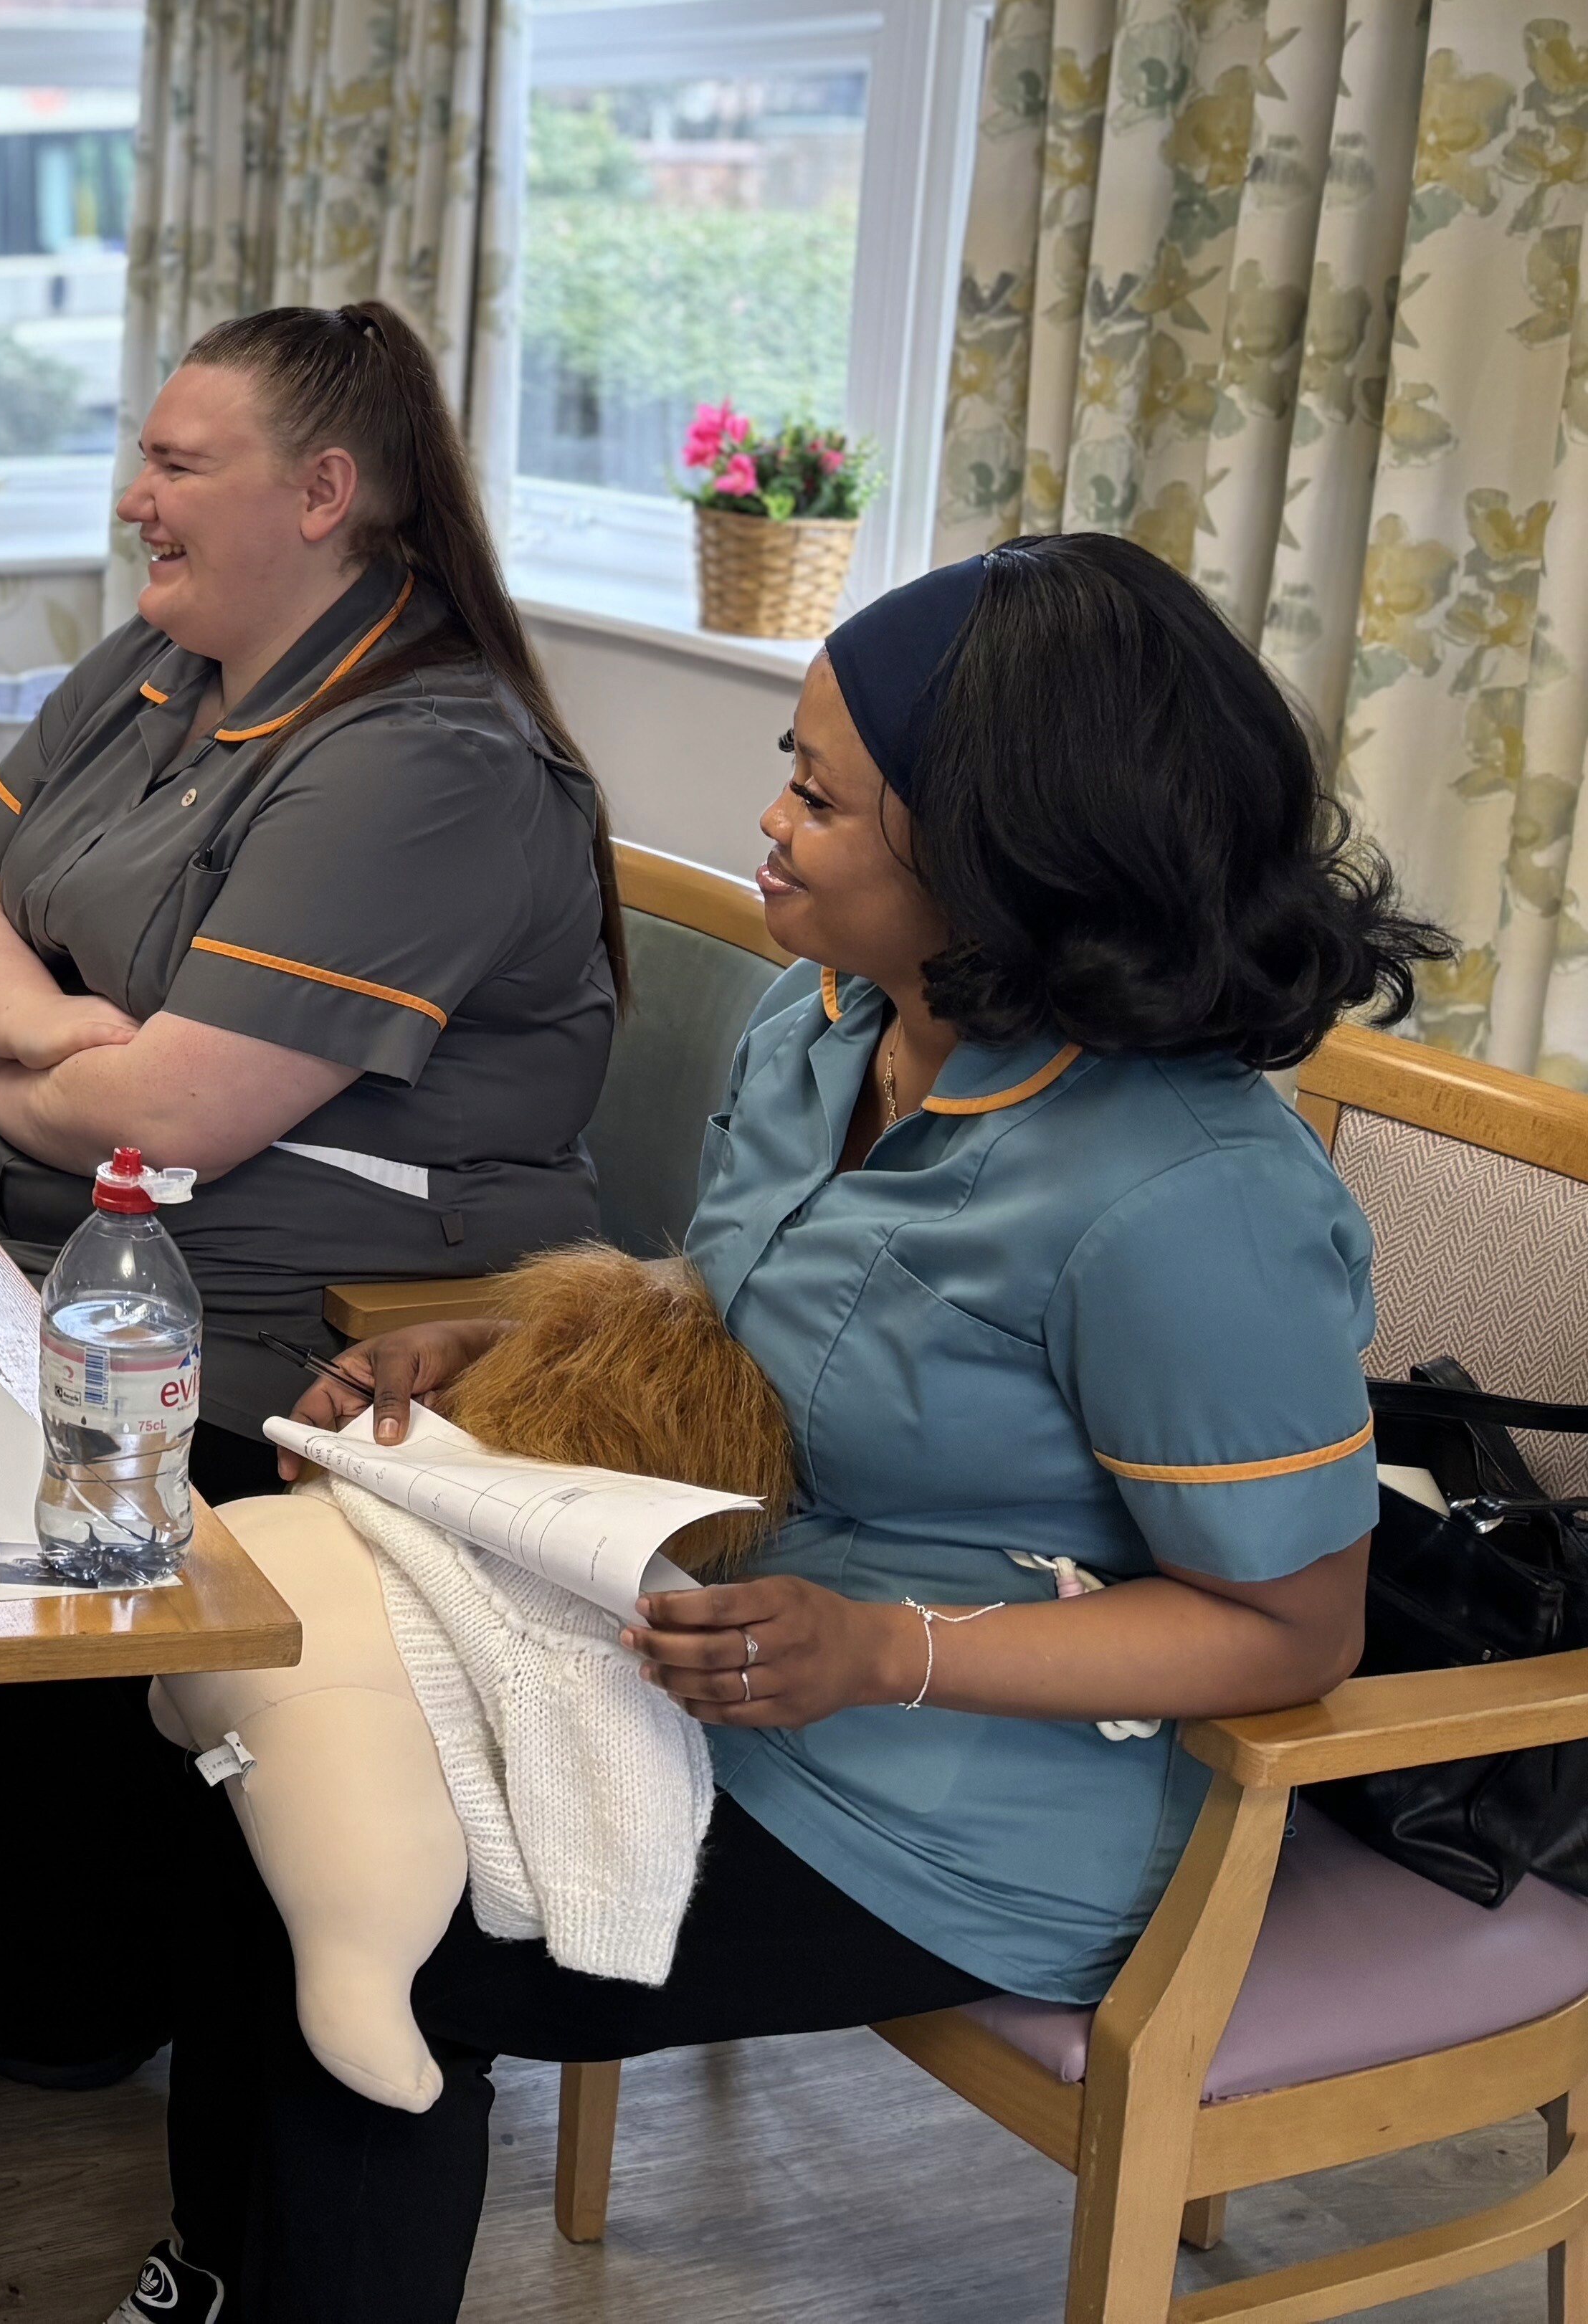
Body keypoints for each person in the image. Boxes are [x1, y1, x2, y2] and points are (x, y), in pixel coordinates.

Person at [108, 531, 1435, 2324]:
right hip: (721, 1651)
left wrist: (887, 1650)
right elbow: (754, 1303)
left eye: (822, 794)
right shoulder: (829, 1026)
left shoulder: (1188, 1202)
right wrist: (495, 1350)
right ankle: (218, 2281)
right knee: (237, 1781)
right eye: (789, 770)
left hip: (973, 1804)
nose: (773, 820)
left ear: (1000, 858)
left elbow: (1293, 1627)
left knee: (410, 1959)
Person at [0, 300, 627, 2081]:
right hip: (48, 1237)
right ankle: (13, 1888)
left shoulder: (425, 758)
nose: (136, 500)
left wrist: (18, 1078)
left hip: (295, 1326)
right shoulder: (165, 660)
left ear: (324, 495)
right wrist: (49, 1036)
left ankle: (81, 1963)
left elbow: (174, 1121)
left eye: (179, 466)